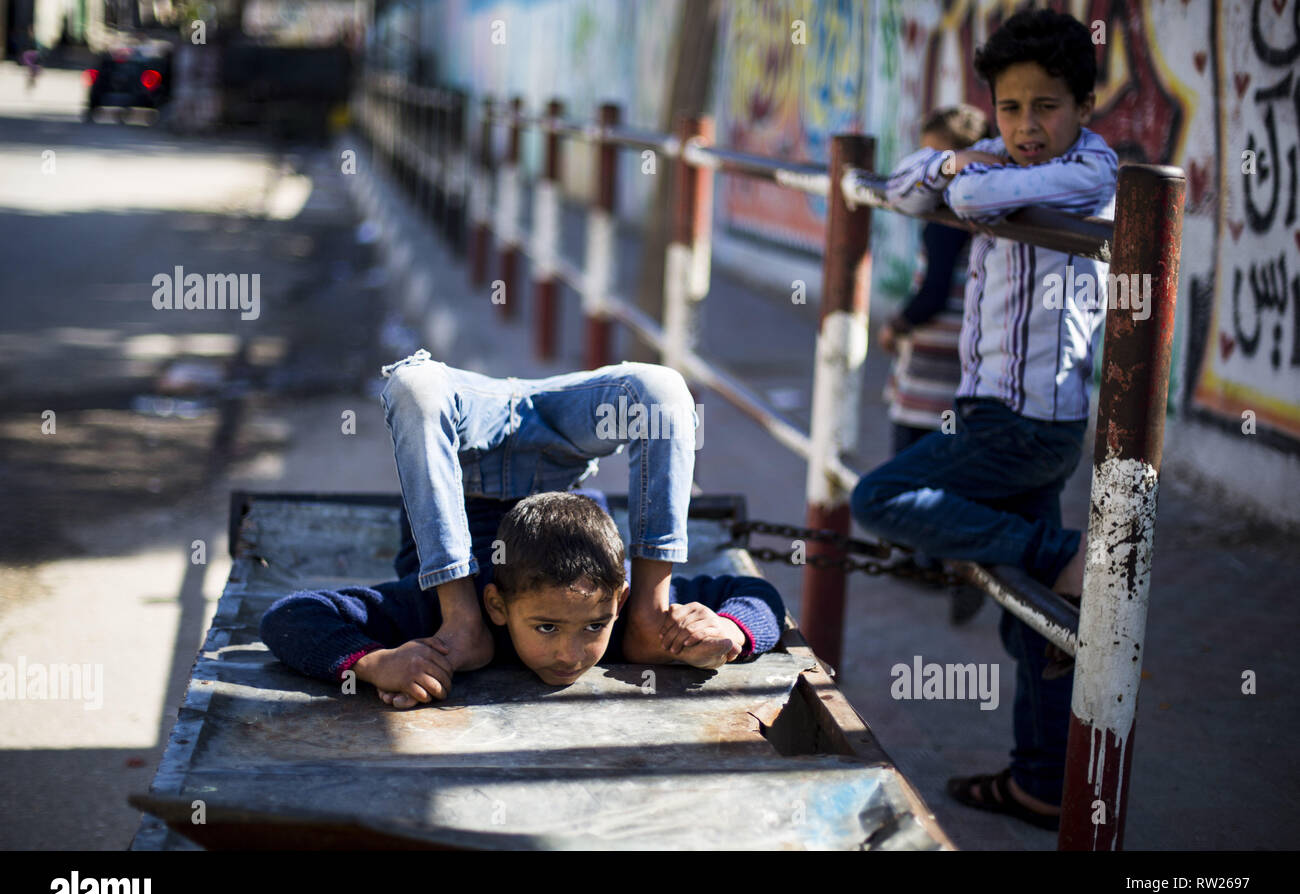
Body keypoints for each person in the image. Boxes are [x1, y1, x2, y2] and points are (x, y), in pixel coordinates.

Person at [851, 8, 1118, 830]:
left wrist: (966, 175)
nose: (1027, 127)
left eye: (1047, 106)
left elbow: (978, 194)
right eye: (1009, 108)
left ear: (1082, 106)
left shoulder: (1095, 171)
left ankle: (1058, 550)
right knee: (1032, 621)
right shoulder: (997, 155)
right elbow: (899, 186)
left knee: (878, 499)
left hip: (1027, 424)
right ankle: (1040, 779)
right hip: (996, 415)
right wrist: (955, 161)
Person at [260, 353, 787, 707]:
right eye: (546, 628)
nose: (571, 654)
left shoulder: (606, 607)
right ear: (495, 606)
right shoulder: (435, 624)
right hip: (462, 460)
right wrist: (373, 663)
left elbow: (758, 595)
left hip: (560, 450)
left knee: (663, 388)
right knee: (415, 387)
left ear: (619, 599)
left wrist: (729, 630)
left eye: (591, 627)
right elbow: (289, 618)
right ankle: (458, 610)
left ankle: (655, 600)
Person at [877, 105, 990, 623]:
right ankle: (933, 558)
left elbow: (932, 293)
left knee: (908, 459)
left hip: (930, 358)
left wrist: (897, 325)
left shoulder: (945, 216)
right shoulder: (983, 210)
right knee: (939, 459)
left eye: (933, 155)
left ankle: (939, 557)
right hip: (963, 356)